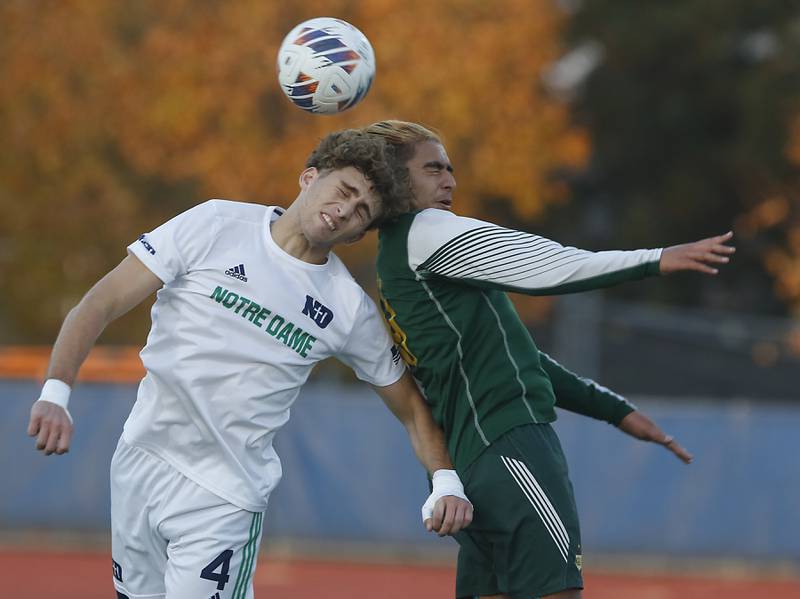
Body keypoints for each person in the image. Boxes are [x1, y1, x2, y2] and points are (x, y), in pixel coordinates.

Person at [26, 129, 473, 599]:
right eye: (344, 191)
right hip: (139, 460)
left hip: (223, 497)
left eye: (361, 211)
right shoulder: (215, 223)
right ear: (308, 178)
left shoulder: (347, 308)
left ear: (360, 233)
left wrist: (445, 481)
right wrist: (56, 392)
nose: (345, 209)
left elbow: (410, 408)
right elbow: (101, 301)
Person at [363, 120, 735, 599]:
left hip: (473, 464)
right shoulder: (425, 231)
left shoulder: (392, 265)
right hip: (512, 447)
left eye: (451, 169)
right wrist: (655, 257)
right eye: (433, 169)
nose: (450, 181)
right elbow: (549, 266)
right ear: (394, 180)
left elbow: (516, 358)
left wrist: (613, 410)